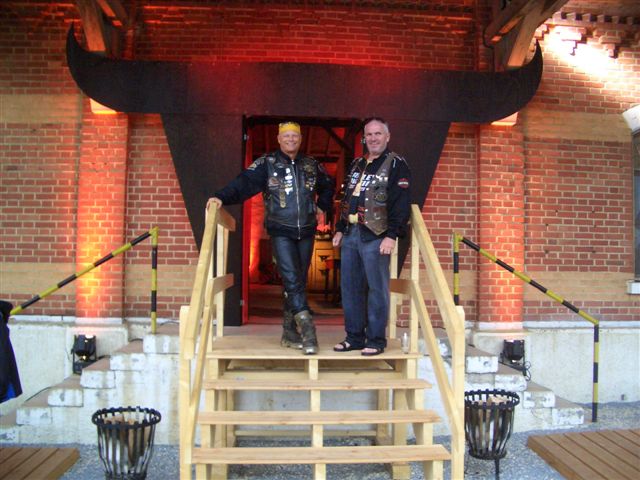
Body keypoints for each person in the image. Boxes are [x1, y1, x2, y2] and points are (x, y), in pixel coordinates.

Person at [208, 122, 334, 355]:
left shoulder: (311, 164)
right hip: (280, 231)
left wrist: (322, 205)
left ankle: (289, 333)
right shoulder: (267, 163)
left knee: (297, 282)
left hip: (307, 231)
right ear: (278, 139)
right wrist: (220, 197)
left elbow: (328, 185)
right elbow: (243, 183)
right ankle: (308, 328)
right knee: (292, 280)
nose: (291, 139)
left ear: (300, 139)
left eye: (295, 136)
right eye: (286, 136)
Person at [332, 118, 411, 356]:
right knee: (350, 288)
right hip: (351, 233)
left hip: (376, 235)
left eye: (378, 134)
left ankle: (376, 340)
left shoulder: (396, 163)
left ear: (387, 137)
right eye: (369, 134)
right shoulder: (357, 163)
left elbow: (401, 203)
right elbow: (346, 198)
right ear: (364, 138)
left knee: (377, 289)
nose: (373, 138)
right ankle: (354, 337)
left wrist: (392, 235)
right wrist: (339, 228)